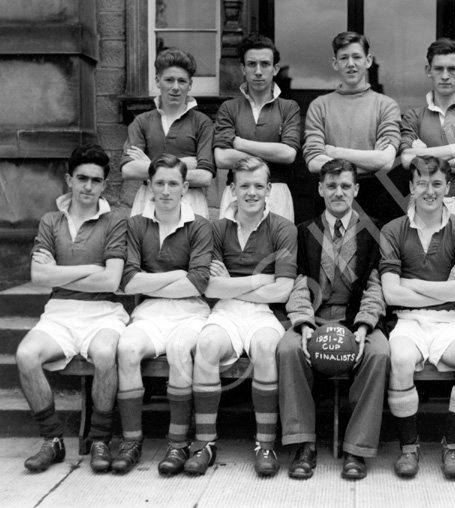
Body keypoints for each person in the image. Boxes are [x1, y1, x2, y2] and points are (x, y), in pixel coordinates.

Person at [16, 144, 128, 473]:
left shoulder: (115, 220)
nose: (88, 187)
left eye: (96, 180)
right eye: (82, 178)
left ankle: (100, 440)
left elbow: (111, 282)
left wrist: (62, 273)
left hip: (104, 313)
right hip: (59, 314)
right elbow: (38, 276)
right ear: (69, 179)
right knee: (25, 356)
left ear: (105, 184)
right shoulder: (51, 221)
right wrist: (91, 269)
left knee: (106, 354)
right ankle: (53, 439)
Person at [277, 159, 390, 481]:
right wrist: (302, 322)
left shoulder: (375, 230)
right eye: (331, 186)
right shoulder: (304, 232)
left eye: (345, 186)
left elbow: (375, 283)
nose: (338, 192)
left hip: (357, 318)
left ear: (355, 189)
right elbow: (299, 281)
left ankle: (357, 446)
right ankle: (303, 444)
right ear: (320, 189)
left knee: (379, 353)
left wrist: (366, 323)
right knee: (288, 350)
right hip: (314, 317)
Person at [187, 156, 297, 477]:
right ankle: (205, 443)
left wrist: (232, 284)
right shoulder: (216, 229)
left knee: (265, 348)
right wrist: (262, 279)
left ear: (269, 190)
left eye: (258, 186)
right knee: (206, 344)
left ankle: (265, 444)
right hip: (226, 311)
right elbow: (210, 287)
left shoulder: (283, 228)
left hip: (266, 313)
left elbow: (283, 291)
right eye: (244, 186)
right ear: (232, 190)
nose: (251, 192)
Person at [379, 155, 455, 480]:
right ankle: (409, 447)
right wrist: (445, 286)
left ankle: (453, 446)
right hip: (407, 320)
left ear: (447, 186)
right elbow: (392, 294)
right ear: (411, 186)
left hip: (450, 319)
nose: (429, 190)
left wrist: (411, 282)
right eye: (421, 183)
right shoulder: (393, 229)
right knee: (400, 359)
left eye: (436, 183)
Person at [113, 154, 213, 475]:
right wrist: (177, 276)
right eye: (159, 183)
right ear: (149, 185)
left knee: (181, 348)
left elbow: (198, 282)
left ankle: (177, 443)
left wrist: (155, 280)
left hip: (192, 312)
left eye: (173, 183)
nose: (166, 191)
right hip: (150, 312)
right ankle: (132, 441)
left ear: (185, 187)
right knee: (126, 347)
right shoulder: (136, 225)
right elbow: (128, 280)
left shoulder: (200, 225)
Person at [303, 31, 401, 223]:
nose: (350, 63)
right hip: (331, 197)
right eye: (344, 58)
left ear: (368, 60)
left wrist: (333, 151)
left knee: (372, 253)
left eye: (356, 57)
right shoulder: (319, 106)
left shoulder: (386, 105)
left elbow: (386, 161)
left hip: (374, 199)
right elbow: (314, 162)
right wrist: (369, 158)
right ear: (335, 63)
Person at [400, 38, 455, 227]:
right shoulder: (414, 117)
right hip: (422, 202)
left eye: (452, 69)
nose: (445, 75)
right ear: (428, 71)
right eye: (438, 68)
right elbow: (407, 160)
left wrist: (425, 157)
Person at [214, 34, 301, 222]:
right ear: (243, 69)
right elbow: (222, 158)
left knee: (277, 251)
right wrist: (272, 152)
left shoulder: (288, 108)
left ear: (275, 69)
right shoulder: (229, 108)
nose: (259, 71)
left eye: (265, 64)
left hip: (276, 192)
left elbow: (288, 155)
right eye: (252, 64)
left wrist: (238, 142)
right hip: (237, 192)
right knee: (233, 250)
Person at [120, 48, 215, 218]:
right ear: (158, 81)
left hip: (190, 201)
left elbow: (205, 177)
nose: (175, 87)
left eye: (182, 81)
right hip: (149, 201)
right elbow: (128, 170)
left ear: (190, 84)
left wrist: (150, 165)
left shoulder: (202, 122)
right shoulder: (142, 121)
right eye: (169, 80)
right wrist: (184, 163)